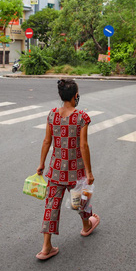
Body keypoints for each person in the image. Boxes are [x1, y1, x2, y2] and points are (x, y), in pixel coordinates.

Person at [35, 79, 99, 261]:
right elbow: (83, 146)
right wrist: (89, 172)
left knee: (51, 205)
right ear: (75, 96)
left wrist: (41, 164)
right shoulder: (81, 117)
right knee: (80, 199)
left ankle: (46, 247)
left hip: (56, 169)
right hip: (75, 169)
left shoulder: (52, 115)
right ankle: (86, 226)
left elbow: (47, 141)